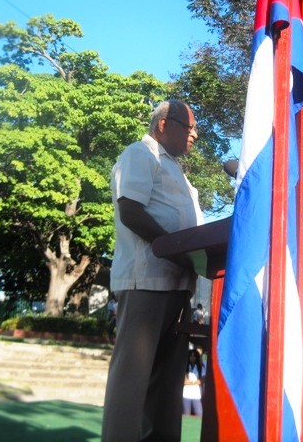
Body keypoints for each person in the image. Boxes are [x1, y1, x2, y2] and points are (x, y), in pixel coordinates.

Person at [101, 100, 202, 442]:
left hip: (178, 286)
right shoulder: (139, 154)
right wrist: (176, 251)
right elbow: (130, 211)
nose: (195, 135)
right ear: (163, 123)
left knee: (167, 385)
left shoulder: (178, 172)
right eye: (189, 127)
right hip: (146, 282)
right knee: (132, 380)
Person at [182, 348, 205, 417]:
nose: (192, 358)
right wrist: (195, 382)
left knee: (199, 414)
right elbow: (184, 382)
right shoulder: (185, 367)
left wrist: (190, 382)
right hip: (186, 395)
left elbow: (202, 381)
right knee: (186, 415)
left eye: (194, 356)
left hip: (196, 395)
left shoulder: (201, 367)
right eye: (191, 356)